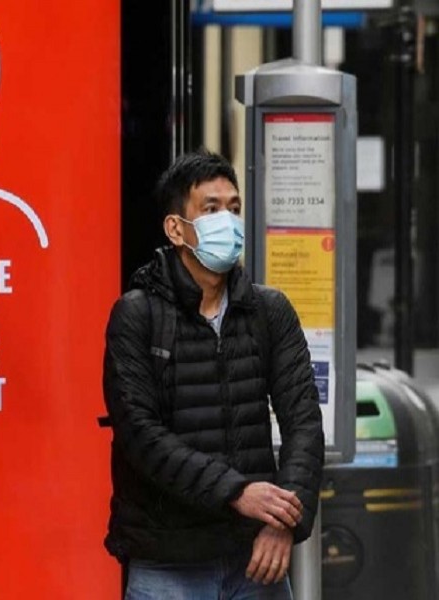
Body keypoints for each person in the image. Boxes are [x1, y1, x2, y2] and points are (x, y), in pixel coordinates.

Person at [102, 149, 324, 599]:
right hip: (168, 564)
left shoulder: (268, 311)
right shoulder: (137, 315)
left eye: (234, 208)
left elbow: (303, 422)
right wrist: (237, 492)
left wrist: (285, 523)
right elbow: (140, 434)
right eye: (211, 208)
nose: (228, 220)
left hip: (256, 561)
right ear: (176, 228)